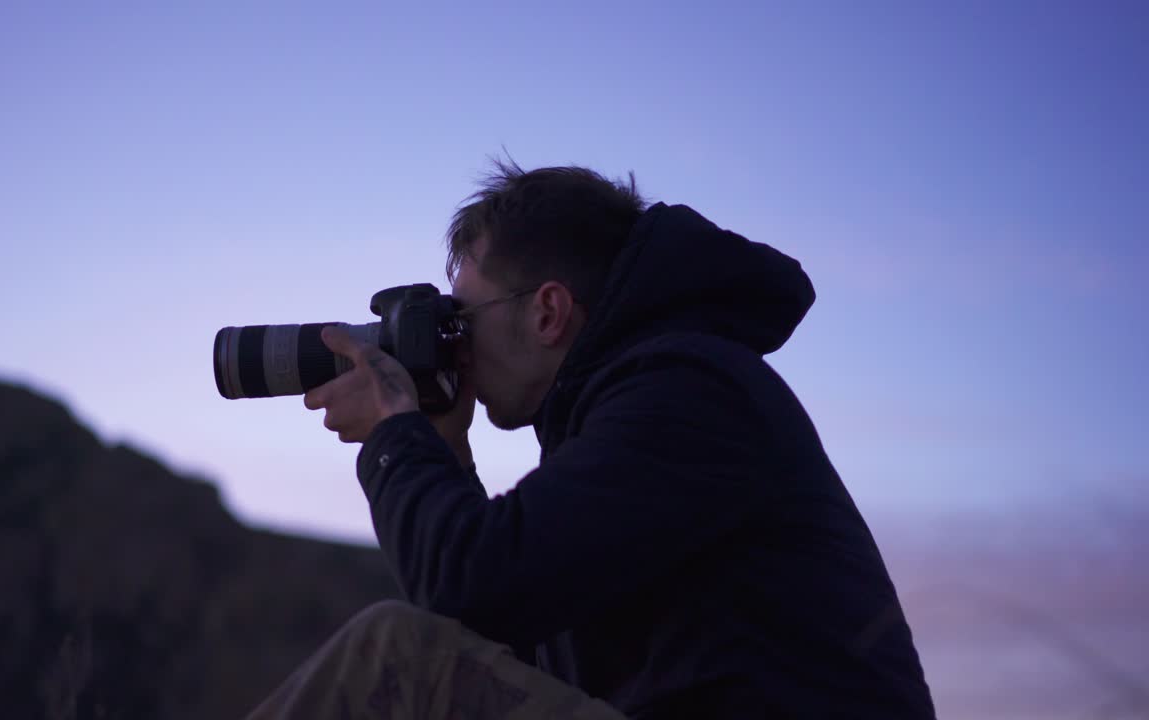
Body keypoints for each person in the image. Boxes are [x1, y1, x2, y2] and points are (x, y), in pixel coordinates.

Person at [244, 159, 936, 719]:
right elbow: (497, 639)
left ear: (548, 311)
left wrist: (396, 434)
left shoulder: (690, 391)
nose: (454, 346)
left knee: (395, 656)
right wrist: (446, 450)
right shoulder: (631, 413)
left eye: (464, 317)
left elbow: (471, 586)